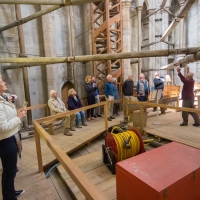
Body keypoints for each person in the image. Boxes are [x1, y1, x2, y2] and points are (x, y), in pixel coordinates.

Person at [0, 76, 27, 199]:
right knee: (9, 171)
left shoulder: (3, 97)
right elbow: (2, 127)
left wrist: (17, 114)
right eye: (1, 81)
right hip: (6, 141)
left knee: (10, 170)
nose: (4, 82)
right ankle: (8, 197)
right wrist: (19, 117)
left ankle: (10, 191)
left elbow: (6, 117)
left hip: (12, 136)